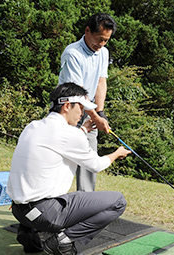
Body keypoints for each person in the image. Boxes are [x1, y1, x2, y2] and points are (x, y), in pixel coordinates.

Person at [7, 83, 131, 255]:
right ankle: (62, 241)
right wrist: (117, 154)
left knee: (74, 196)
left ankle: (27, 233)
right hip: (45, 214)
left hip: (19, 211)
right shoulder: (69, 134)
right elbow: (97, 165)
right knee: (118, 201)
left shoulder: (32, 126)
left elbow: (60, 140)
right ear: (67, 106)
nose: (82, 114)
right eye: (80, 108)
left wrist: (83, 129)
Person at [58, 13, 116, 192]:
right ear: (87, 31)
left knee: (89, 158)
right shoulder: (72, 53)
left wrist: (101, 112)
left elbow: (101, 82)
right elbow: (78, 92)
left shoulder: (103, 53)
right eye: (99, 39)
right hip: (67, 111)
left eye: (106, 41)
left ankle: (85, 202)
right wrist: (95, 117)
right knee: (59, 156)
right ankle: (49, 200)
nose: (101, 45)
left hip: (88, 109)